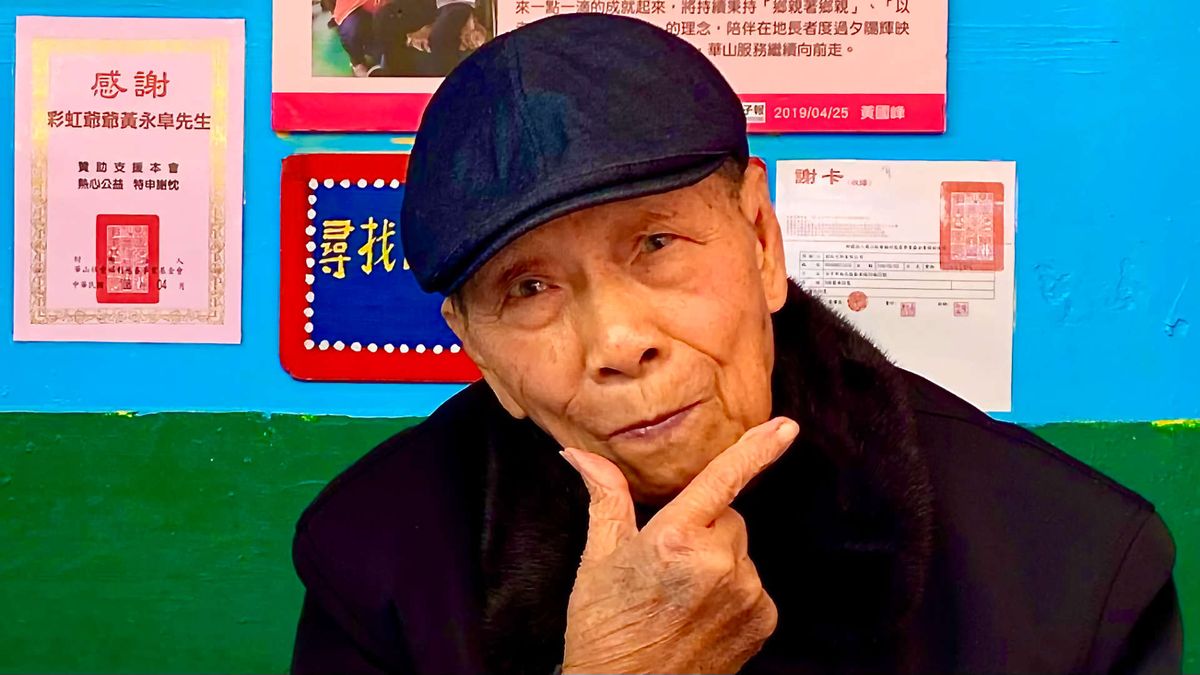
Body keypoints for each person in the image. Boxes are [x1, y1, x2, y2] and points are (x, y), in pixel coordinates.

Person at [290, 14, 1182, 674]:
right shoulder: (372, 558)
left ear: (761, 240)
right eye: (529, 290)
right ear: (480, 352)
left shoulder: (1073, 564)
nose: (619, 341)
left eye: (656, 245)